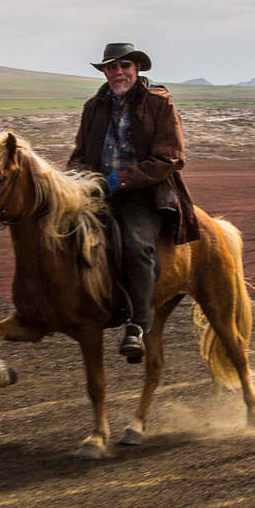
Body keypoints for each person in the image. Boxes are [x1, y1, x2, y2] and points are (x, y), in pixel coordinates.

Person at [67, 43, 201, 362]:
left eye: (124, 65)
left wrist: (120, 179)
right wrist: (77, 179)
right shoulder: (94, 107)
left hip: (144, 192)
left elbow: (170, 157)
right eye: (111, 67)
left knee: (136, 246)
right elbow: (80, 154)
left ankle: (138, 325)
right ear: (104, 72)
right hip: (98, 191)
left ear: (136, 68)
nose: (118, 72)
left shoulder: (158, 102)